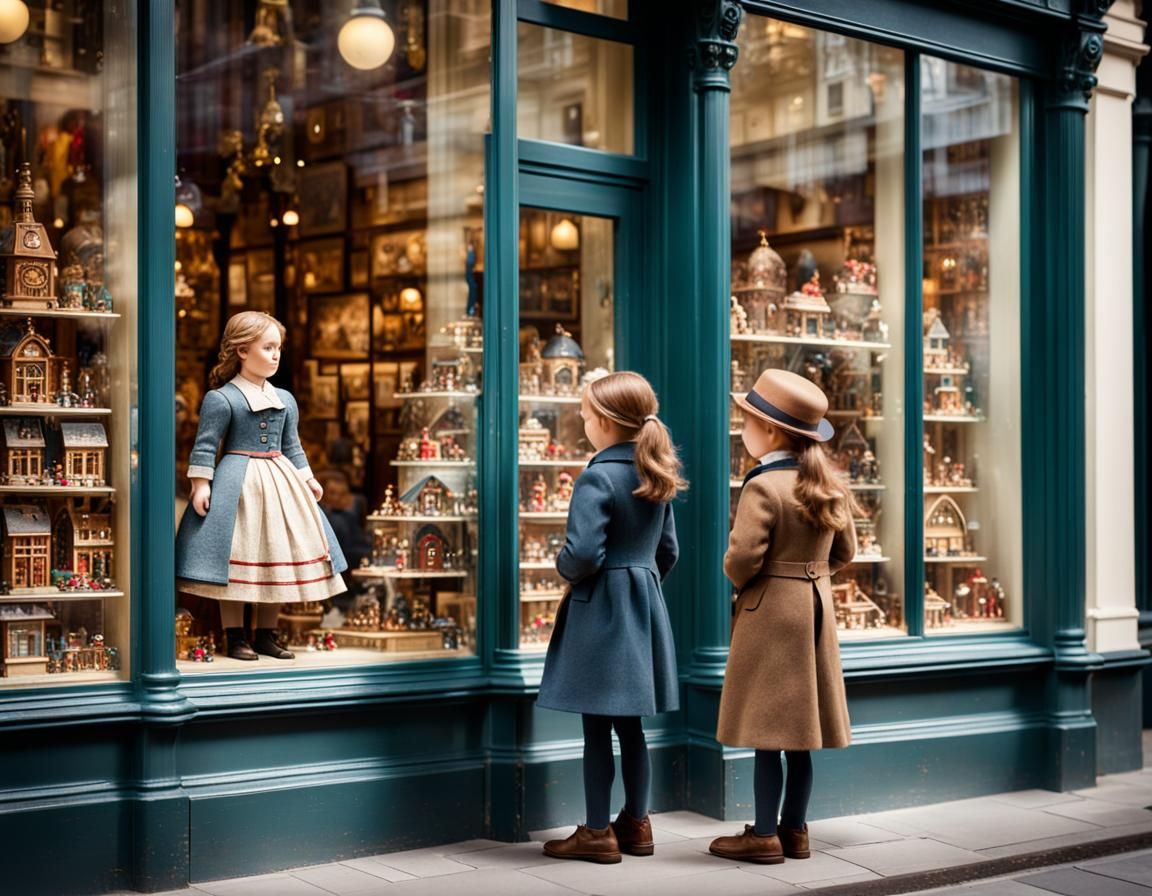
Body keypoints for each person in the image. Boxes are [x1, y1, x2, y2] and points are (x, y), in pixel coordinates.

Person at [537, 371, 687, 864]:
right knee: (631, 727)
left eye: (584, 414)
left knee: (596, 727)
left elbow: (581, 555)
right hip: (642, 606)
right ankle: (637, 824)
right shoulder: (655, 472)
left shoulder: (597, 475)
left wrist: (564, 569)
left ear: (602, 421)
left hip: (600, 609)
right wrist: (639, 584)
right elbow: (669, 552)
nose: (582, 421)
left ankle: (597, 831)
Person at [709, 368, 857, 864]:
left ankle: (763, 834)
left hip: (771, 610)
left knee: (767, 732)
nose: (742, 429)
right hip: (814, 608)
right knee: (801, 736)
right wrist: (811, 575)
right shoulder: (827, 484)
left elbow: (742, 558)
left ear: (770, 431)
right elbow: (845, 552)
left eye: (746, 421)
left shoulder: (763, 487)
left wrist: (753, 580)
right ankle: (796, 831)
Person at [175, 311, 348, 661]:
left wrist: (308, 477)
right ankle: (235, 635)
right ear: (241, 350)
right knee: (237, 557)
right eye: (267, 347)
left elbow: (292, 445)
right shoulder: (222, 398)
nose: (275, 355)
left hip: (280, 482)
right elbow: (206, 444)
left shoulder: (285, 399)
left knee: (278, 553)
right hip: (238, 486)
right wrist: (201, 483)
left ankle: (268, 633)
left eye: (278, 348)